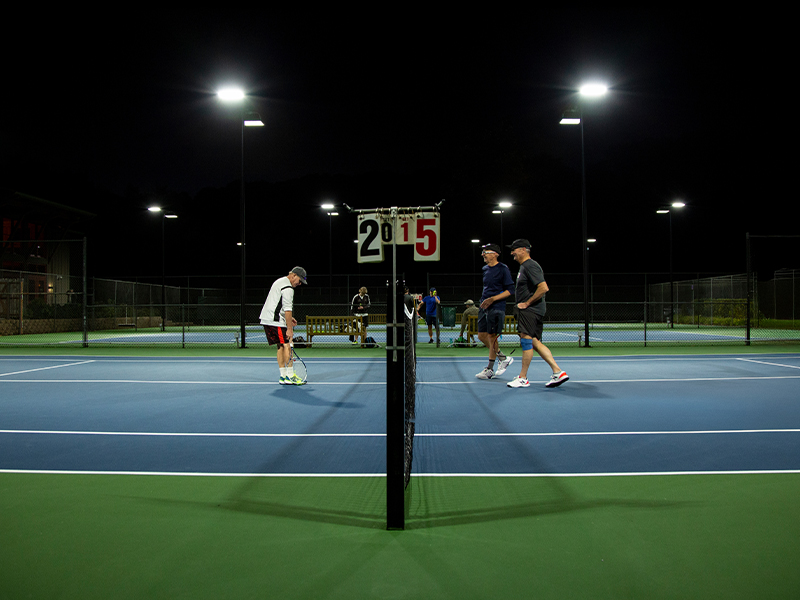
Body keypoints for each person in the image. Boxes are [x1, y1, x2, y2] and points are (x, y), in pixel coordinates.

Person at [505, 239, 569, 388]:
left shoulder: (530, 265)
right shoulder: (524, 266)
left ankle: (523, 378)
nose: (511, 253)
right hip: (531, 311)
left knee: (526, 341)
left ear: (523, 250)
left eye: (514, 249)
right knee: (535, 342)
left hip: (530, 311)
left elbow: (543, 288)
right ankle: (558, 372)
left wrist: (527, 303)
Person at [259, 266, 308, 385]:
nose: (300, 283)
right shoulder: (288, 288)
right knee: (288, 345)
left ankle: (283, 376)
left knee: (280, 346)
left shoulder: (279, 281)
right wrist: (289, 329)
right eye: (299, 280)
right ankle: (290, 376)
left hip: (267, 319)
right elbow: (287, 309)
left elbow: (276, 303)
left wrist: (289, 319)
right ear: (293, 275)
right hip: (276, 321)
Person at [474, 243, 516, 379]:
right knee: (481, 336)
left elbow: (510, 290)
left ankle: (490, 369)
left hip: (496, 307)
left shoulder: (503, 269)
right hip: (483, 306)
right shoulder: (485, 269)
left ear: (495, 254)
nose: (483, 254)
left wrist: (493, 299)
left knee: (492, 337)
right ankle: (503, 358)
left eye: (486, 252)